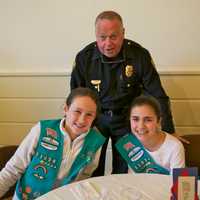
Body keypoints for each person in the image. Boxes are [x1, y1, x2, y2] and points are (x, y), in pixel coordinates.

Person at [70, 10, 175, 176]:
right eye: (102, 37)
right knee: (90, 171)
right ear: (95, 35)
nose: (108, 43)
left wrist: (169, 131)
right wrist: (72, 132)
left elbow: (158, 95)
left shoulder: (139, 55)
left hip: (127, 121)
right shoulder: (85, 58)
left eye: (114, 36)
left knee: (124, 172)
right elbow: (75, 98)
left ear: (123, 33)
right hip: (96, 121)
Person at [0, 87, 106, 200]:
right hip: (28, 196)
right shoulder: (41, 130)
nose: (82, 120)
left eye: (89, 115)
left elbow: (85, 175)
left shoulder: (96, 141)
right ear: (66, 109)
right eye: (77, 111)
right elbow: (12, 170)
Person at [116, 96, 185, 174]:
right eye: (135, 119)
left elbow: (178, 184)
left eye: (148, 120)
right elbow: (133, 180)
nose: (141, 126)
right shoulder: (129, 143)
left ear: (158, 121)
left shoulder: (174, 146)